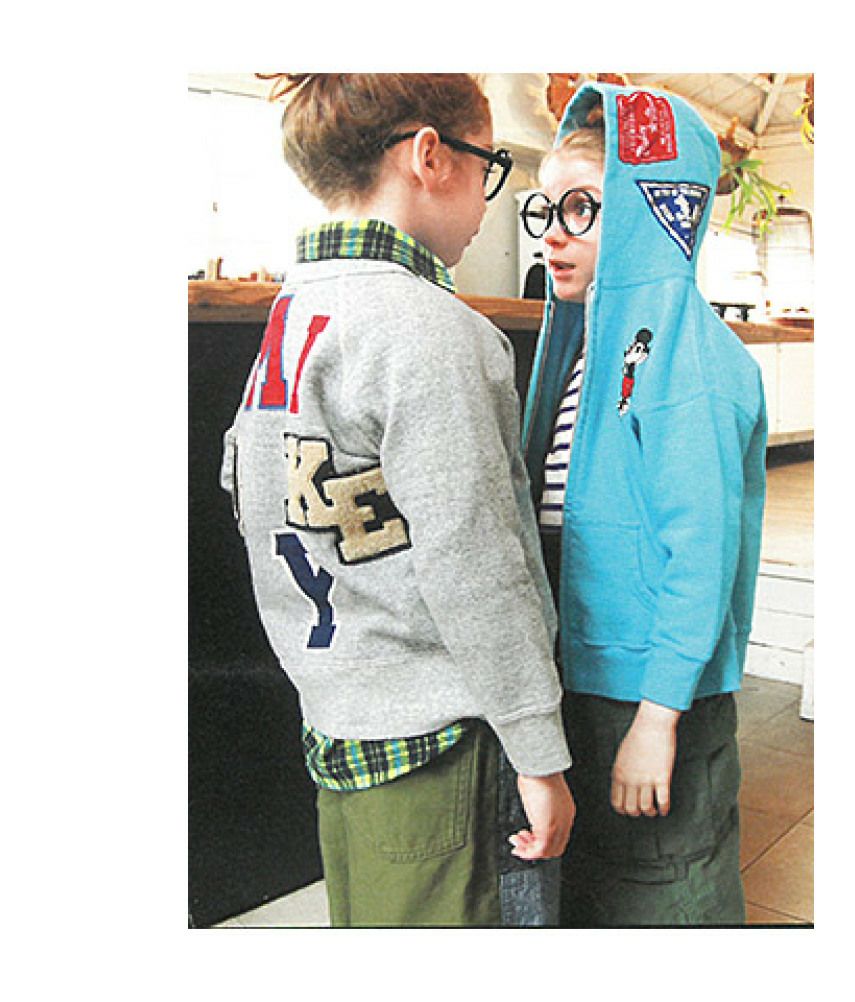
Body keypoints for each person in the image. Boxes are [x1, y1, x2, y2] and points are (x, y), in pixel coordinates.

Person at [219, 73, 574, 928]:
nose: (491, 199)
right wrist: (539, 752)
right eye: (489, 168)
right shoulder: (434, 330)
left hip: (337, 717)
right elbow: (475, 564)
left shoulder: (294, 315)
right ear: (429, 156)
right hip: (440, 741)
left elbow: (244, 487)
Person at [519, 82, 768, 926]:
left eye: (583, 208)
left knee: (668, 888)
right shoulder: (588, 353)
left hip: (653, 696)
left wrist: (657, 720)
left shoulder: (688, 358)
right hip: (587, 679)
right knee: (604, 884)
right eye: (545, 208)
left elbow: (701, 553)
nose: (553, 233)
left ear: (650, 213)